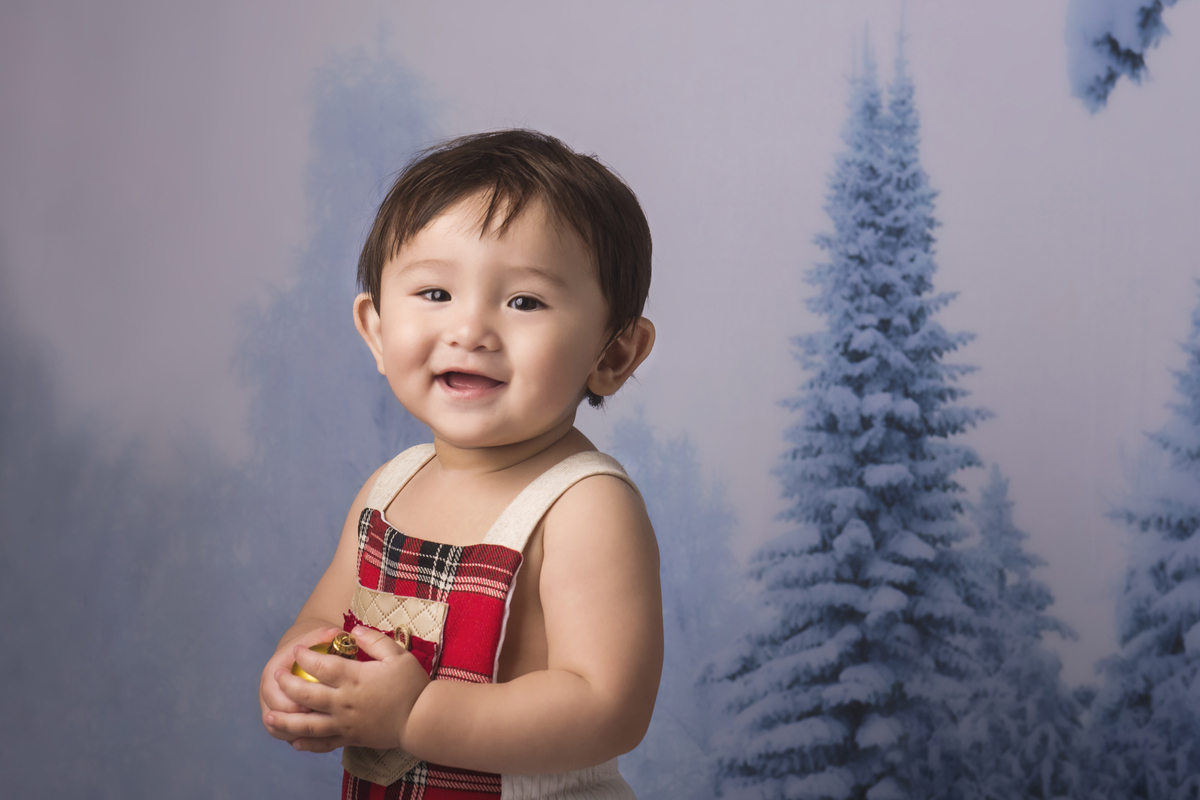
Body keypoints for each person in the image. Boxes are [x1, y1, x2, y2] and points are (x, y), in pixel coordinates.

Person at [258, 129, 662, 799]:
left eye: (524, 302)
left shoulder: (584, 507)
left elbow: (607, 707)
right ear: (378, 331)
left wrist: (415, 715)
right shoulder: (387, 489)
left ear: (613, 353)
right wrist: (300, 672)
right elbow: (322, 622)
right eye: (435, 294)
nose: (469, 330)